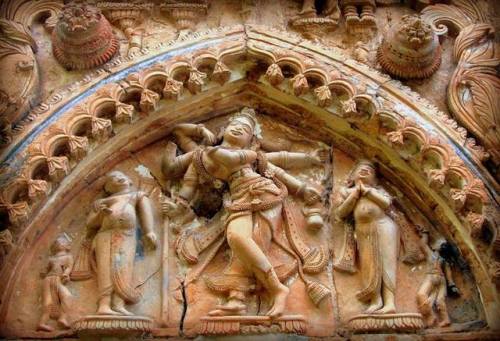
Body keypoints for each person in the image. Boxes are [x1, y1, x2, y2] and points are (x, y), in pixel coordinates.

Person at [163, 108, 328, 317]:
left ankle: (254, 294)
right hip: (237, 199)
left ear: (252, 139)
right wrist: (178, 206)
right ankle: (254, 294)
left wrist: (307, 171)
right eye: (235, 125)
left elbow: (281, 163)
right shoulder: (200, 157)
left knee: (251, 240)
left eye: (246, 129)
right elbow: (187, 183)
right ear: (223, 130)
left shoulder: (253, 157)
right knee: (237, 241)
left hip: (264, 194)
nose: (239, 128)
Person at [72, 171, 158, 316]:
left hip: (126, 237)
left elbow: (145, 213)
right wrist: (101, 214)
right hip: (104, 236)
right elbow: (90, 224)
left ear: (129, 180)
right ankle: (104, 305)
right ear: (108, 187)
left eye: (122, 175)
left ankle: (119, 304)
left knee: (124, 268)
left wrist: (149, 231)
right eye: (113, 178)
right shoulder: (101, 203)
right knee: (105, 269)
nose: (119, 178)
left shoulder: (136, 196)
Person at [335, 160, 398, 314]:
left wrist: (368, 192)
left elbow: (386, 203)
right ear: (352, 176)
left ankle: (389, 303)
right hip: (362, 230)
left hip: (383, 226)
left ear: (375, 179)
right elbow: (341, 213)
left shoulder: (377, 190)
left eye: (369, 170)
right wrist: (355, 194)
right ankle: (375, 301)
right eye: (360, 169)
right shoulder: (345, 192)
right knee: (368, 265)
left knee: (386, 264)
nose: (365, 171)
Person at [37, 234, 73, 332]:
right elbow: (45, 269)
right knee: (48, 303)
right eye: (58, 242)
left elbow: (69, 267)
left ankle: (63, 318)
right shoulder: (51, 259)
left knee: (68, 296)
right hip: (48, 279)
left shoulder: (68, 257)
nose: (60, 243)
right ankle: (41, 323)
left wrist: (65, 274)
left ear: (67, 246)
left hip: (59, 279)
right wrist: (43, 271)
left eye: (62, 242)